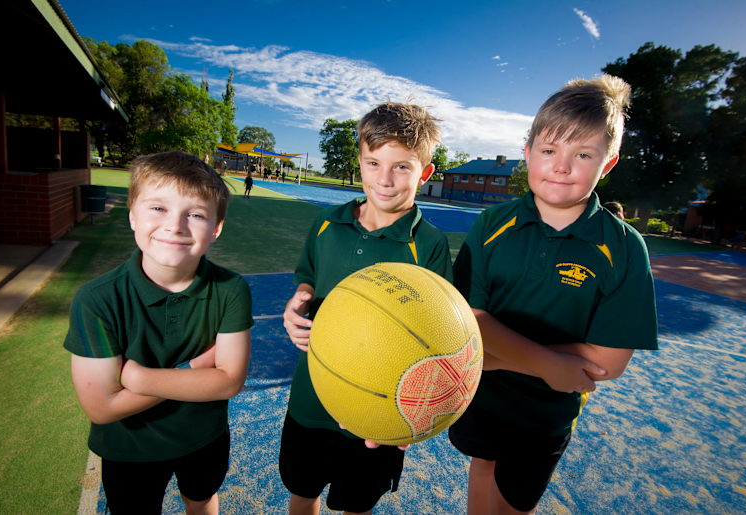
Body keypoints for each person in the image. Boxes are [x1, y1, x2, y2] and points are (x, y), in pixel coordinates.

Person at [451, 75, 658, 515]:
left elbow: (610, 360)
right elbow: (470, 319)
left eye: (582, 154)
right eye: (549, 151)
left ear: (608, 163)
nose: (561, 167)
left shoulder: (623, 248)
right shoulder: (491, 225)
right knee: (482, 466)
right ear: (528, 153)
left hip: (544, 415)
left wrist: (498, 355)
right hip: (481, 397)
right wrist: (550, 363)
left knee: (513, 502)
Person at [281, 100, 452, 515]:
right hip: (312, 394)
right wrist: (297, 303)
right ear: (360, 161)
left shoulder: (428, 244)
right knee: (302, 492)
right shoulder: (326, 223)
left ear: (424, 172)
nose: (385, 179)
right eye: (374, 163)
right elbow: (307, 275)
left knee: (357, 504)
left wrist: (417, 410)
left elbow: (441, 336)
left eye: (402, 167)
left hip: (379, 409)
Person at [64, 150, 253, 515]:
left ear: (216, 228)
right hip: (130, 448)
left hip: (204, 437)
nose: (175, 226)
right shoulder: (95, 300)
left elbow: (229, 381)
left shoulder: (230, 289)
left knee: (202, 500)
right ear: (132, 214)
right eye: (158, 208)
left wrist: (136, 377)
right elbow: (102, 407)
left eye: (195, 214)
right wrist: (195, 371)